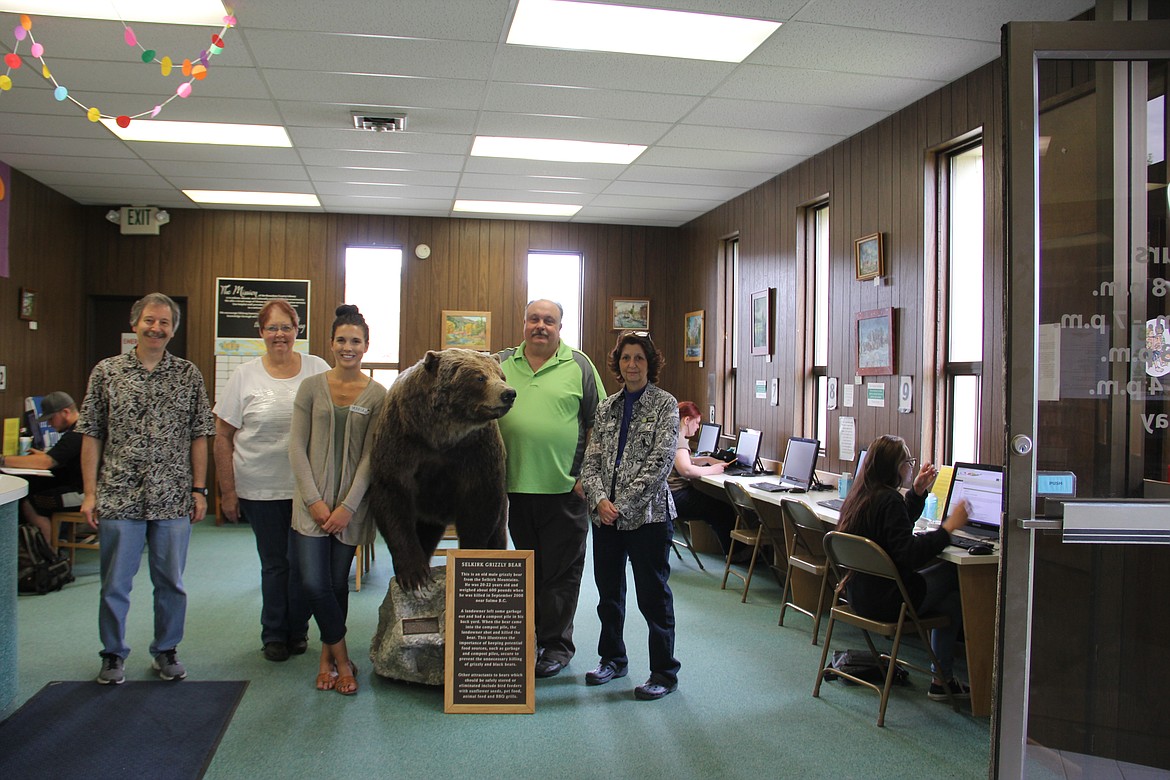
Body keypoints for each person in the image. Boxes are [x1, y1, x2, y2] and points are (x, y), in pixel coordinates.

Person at [77, 292, 216, 685]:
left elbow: (199, 434)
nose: (157, 328)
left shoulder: (188, 375)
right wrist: (90, 493)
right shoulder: (107, 372)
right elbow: (91, 433)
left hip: (172, 497)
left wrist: (199, 489)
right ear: (135, 323)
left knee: (170, 582)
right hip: (119, 495)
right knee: (115, 584)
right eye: (150, 321)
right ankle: (112, 654)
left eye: (165, 323)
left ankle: (167, 649)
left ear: (173, 329)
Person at [214, 299, 330, 663]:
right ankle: (275, 634)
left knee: (304, 566)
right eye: (271, 328)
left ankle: (299, 629)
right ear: (261, 333)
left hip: (308, 489)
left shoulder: (317, 369)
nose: (279, 334)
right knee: (275, 564)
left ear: (298, 330)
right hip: (259, 488)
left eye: (286, 327)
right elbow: (222, 436)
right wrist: (227, 493)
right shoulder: (244, 376)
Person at [496, 299, 604, 679]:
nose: (540, 326)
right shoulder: (500, 364)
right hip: (514, 488)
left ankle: (556, 646)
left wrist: (585, 477)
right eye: (534, 319)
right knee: (527, 571)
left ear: (560, 326)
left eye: (549, 320)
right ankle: (531, 638)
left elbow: (598, 423)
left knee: (562, 572)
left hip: (565, 489)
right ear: (523, 323)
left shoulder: (578, 365)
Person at [289, 304, 385, 696]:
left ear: (366, 346)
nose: (348, 347)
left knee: (336, 584)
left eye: (356, 341)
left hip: (352, 509)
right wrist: (314, 501)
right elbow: (296, 445)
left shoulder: (378, 394)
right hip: (310, 505)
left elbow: (371, 456)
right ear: (331, 343)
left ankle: (326, 660)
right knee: (313, 583)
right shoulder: (311, 387)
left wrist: (347, 506)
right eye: (342, 340)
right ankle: (344, 659)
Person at [580, 331, 681, 701]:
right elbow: (591, 459)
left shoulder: (665, 405)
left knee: (653, 598)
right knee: (609, 595)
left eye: (639, 358)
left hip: (648, 520)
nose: (632, 365)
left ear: (649, 363)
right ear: (618, 364)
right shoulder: (607, 407)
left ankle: (664, 672)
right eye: (626, 358)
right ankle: (612, 658)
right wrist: (599, 499)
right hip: (605, 519)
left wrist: (620, 504)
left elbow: (660, 463)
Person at [835, 434, 971, 701]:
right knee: (954, 573)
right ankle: (941, 679)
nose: (911, 466)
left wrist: (916, 493)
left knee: (952, 601)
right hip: (889, 602)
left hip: (858, 596)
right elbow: (908, 555)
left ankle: (942, 680)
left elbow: (894, 531)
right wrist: (948, 529)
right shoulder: (888, 500)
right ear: (897, 468)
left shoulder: (861, 495)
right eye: (908, 461)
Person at [0, 391, 83, 550]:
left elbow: (45, 463)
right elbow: (54, 458)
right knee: (40, 488)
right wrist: (45, 457)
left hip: (82, 494)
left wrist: (3, 460)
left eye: (51, 418)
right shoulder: (82, 429)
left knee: (34, 501)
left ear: (65, 412)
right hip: (82, 487)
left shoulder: (75, 435)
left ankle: (48, 556)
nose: (50, 424)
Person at [668, 400, 744, 562]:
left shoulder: (669, 432)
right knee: (722, 510)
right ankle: (737, 555)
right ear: (686, 420)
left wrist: (707, 459)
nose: (697, 429)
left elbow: (683, 461)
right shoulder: (678, 438)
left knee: (712, 505)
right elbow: (686, 470)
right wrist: (713, 469)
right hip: (676, 495)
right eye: (696, 423)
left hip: (668, 495)